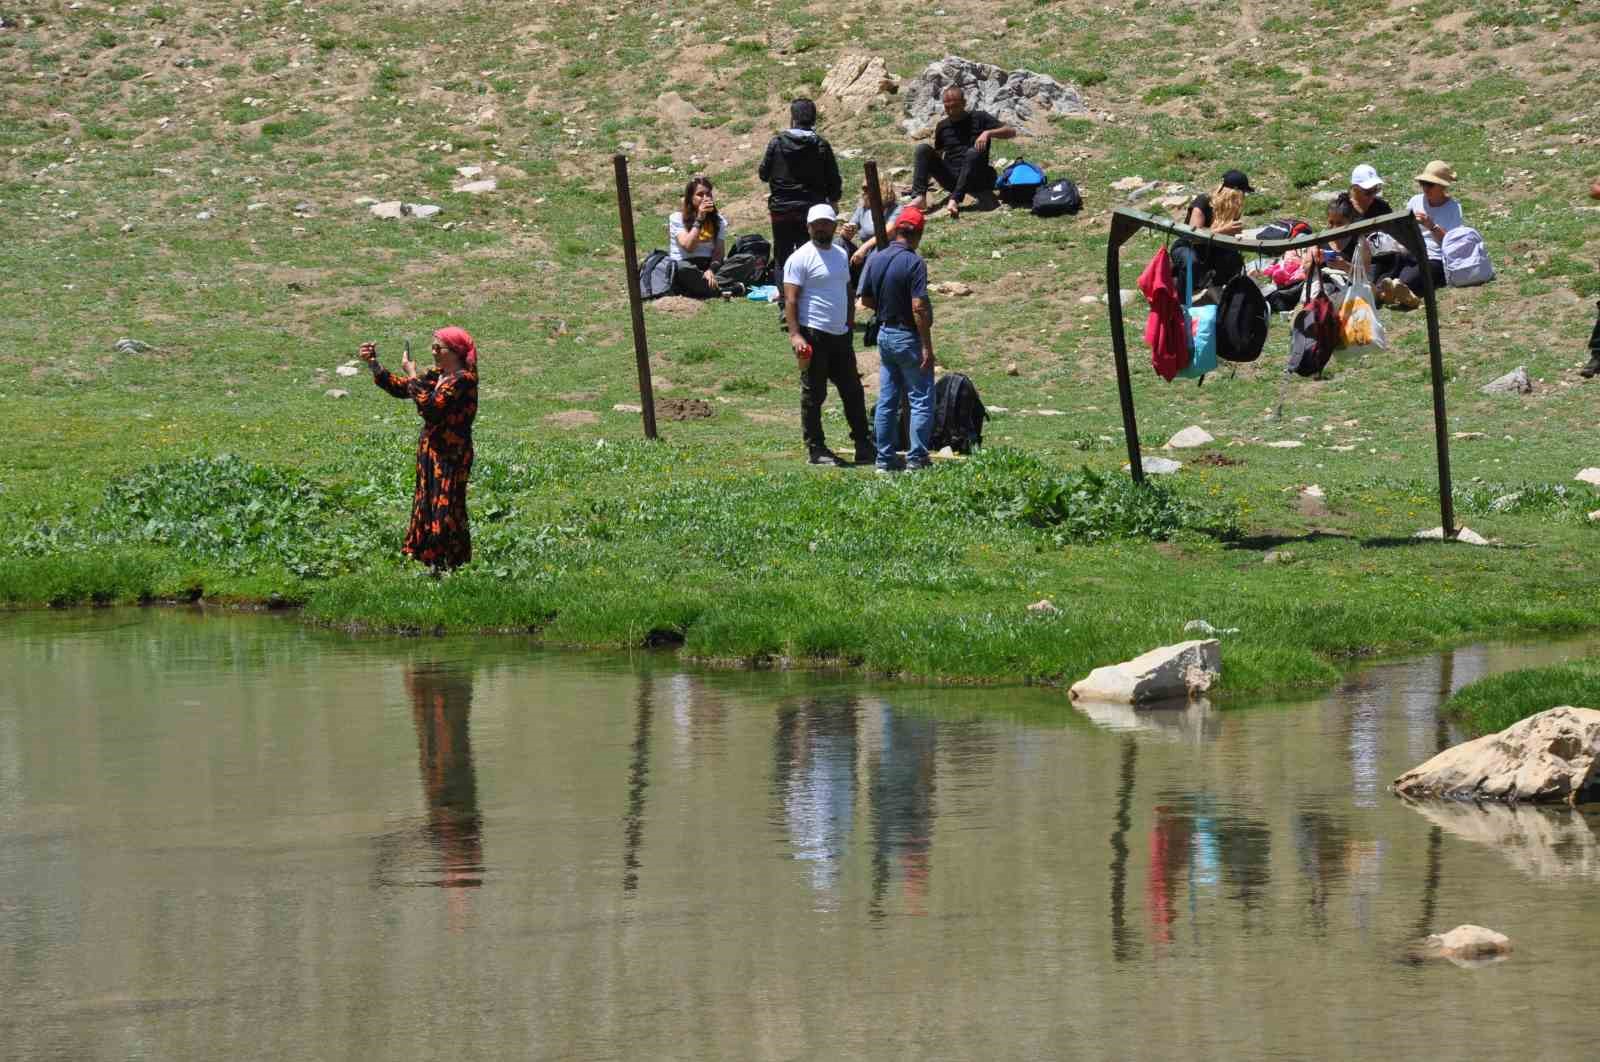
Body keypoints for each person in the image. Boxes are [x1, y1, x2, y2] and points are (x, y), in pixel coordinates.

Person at [357, 328, 479, 570]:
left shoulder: (463, 380)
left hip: (451, 454)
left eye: (438, 348)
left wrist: (412, 373)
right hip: (431, 451)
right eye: (432, 347)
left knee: (446, 506)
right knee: (427, 502)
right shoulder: (439, 374)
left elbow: (431, 408)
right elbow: (404, 389)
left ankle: (450, 562)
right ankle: (427, 557)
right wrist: (374, 365)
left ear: (455, 352)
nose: (433, 352)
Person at [783, 204, 872, 466]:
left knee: (853, 391)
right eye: (816, 224)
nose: (821, 228)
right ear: (809, 227)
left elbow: (846, 287)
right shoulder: (799, 258)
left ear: (834, 226)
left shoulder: (840, 254)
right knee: (814, 394)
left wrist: (849, 320)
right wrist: (795, 335)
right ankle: (816, 448)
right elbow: (790, 300)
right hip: (813, 334)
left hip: (840, 335)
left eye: (826, 223)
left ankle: (863, 443)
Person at [857, 205, 934, 472]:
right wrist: (926, 345)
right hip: (908, 336)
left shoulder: (877, 257)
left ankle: (885, 460)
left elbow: (865, 299)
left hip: (885, 334)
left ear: (898, 228)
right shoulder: (915, 263)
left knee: (887, 399)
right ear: (918, 233)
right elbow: (919, 307)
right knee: (921, 398)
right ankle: (917, 460)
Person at [759, 98, 843, 288]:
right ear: (814, 118)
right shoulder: (821, 144)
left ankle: (784, 301)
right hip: (811, 209)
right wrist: (834, 199)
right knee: (812, 252)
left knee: (783, 254)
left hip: (781, 208)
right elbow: (833, 178)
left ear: (792, 118)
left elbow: (764, 174)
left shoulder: (777, 142)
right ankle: (809, 295)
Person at [909, 85, 1016, 219]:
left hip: (977, 178)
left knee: (973, 152)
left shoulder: (980, 117)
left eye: (955, 106)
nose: (951, 111)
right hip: (952, 179)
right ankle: (920, 197)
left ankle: (955, 200)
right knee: (922, 149)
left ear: (964, 103)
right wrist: (924, 179)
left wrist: (988, 133)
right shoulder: (943, 126)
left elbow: (1011, 131)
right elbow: (937, 155)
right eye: (947, 107)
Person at [1172, 169, 1252, 291]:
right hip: (1188, 246)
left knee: (1233, 259)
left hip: (1212, 249)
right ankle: (1181, 300)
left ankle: (1219, 296)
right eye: (1242, 193)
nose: (1243, 197)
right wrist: (1224, 230)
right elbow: (1194, 236)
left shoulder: (1232, 210)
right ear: (1233, 193)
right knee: (1191, 261)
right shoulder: (1203, 201)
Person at [1395, 160, 1464, 297]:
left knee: (1406, 280)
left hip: (1434, 257)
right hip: (1412, 251)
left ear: (1442, 187)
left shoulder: (1453, 208)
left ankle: (1399, 290)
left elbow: (1451, 243)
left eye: (1430, 185)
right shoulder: (1415, 201)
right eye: (1423, 184)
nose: (1425, 189)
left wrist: (1431, 226)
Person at [666, 175, 727, 297]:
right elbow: (689, 246)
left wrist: (711, 270)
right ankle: (725, 288)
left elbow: (718, 253)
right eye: (700, 195)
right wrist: (700, 218)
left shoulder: (719, 221)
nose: (706, 198)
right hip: (686, 265)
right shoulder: (677, 218)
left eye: (708, 194)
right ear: (690, 198)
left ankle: (703, 287)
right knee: (682, 269)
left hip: (707, 265)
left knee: (746, 259)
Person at [842, 171, 905, 277]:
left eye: (867, 188)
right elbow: (848, 232)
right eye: (863, 188)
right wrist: (847, 230)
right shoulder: (863, 209)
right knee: (840, 243)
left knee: (876, 250)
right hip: (865, 253)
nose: (864, 192)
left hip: (886, 251)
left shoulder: (896, 209)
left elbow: (887, 232)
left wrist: (864, 247)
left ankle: (863, 292)